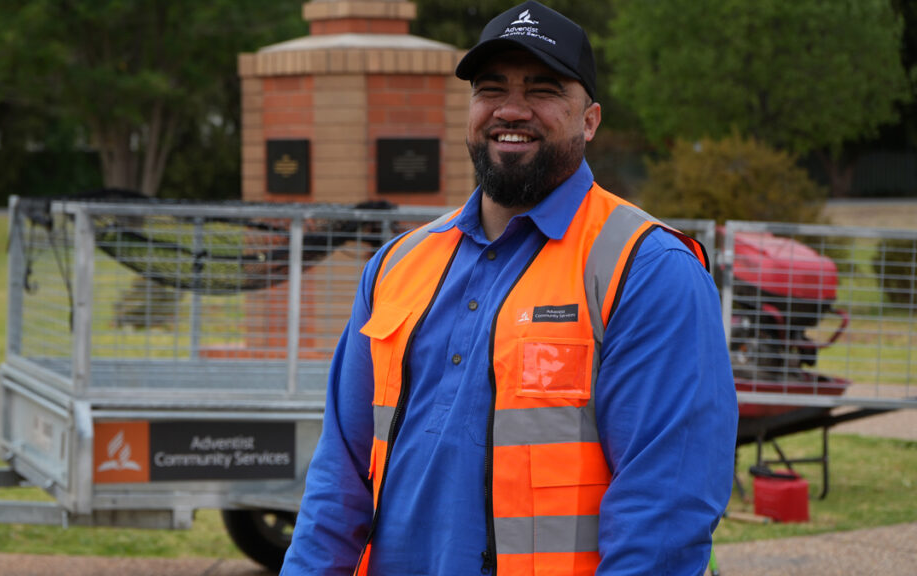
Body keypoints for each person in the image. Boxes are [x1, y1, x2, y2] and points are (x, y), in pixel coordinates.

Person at [280, 1, 738, 574]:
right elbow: (338, 480)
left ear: (590, 120)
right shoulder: (395, 266)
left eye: (543, 89)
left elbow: (665, 508)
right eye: (490, 88)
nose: (511, 109)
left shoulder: (647, 269)